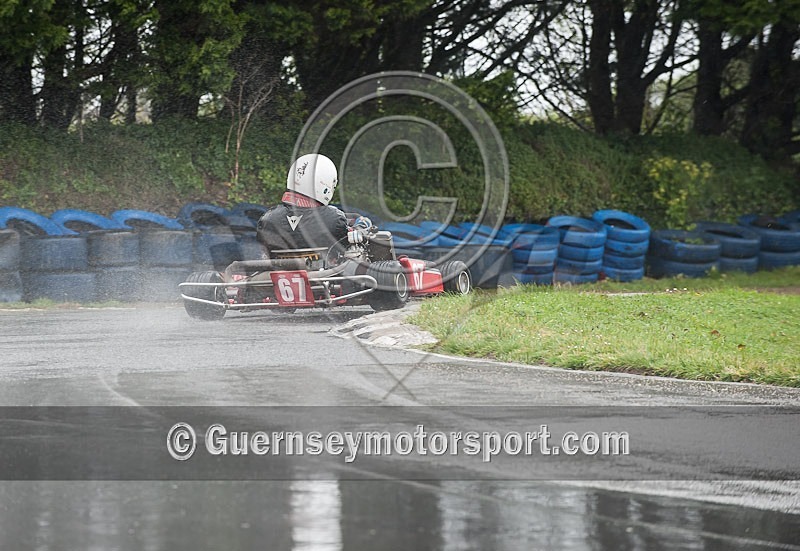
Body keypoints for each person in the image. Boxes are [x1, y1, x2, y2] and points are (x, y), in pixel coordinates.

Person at [256, 153, 351, 255]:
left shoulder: (267, 220)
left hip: (278, 269)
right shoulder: (334, 219)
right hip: (324, 269)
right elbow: (347, 248)